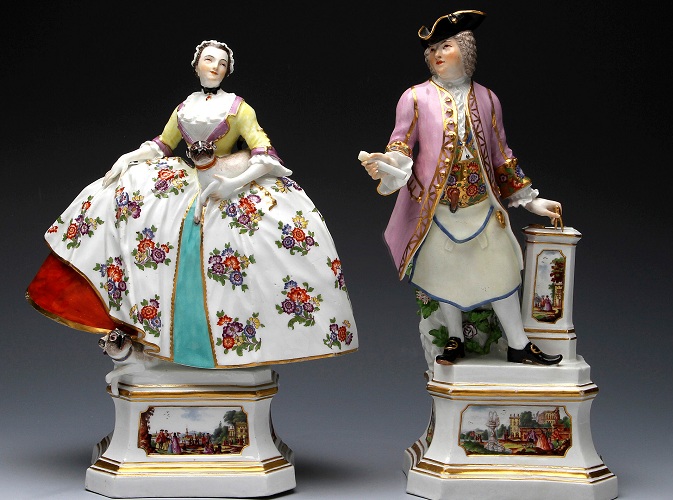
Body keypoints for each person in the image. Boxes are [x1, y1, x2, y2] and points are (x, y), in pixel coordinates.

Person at [27, 40, 357, 369]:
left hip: (224, 177)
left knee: (265, 236)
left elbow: (264, 153)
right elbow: (163, 144)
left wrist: (232, 184)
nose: (215, 67)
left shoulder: (239, 108)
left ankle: (226, 343)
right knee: (119, 195)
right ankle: (145, 326)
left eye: (222, 63)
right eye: (209, 60)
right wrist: (129, 157)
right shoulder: (184, 107)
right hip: (187, 179)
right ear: (197, 64)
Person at [360, 11, 561, 366]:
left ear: (465, 50)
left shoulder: (488, 98)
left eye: (446, 46)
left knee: (501, 270)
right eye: (431, 50)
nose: (436, 54)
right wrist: (388, 164)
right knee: (443, 274)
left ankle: (518, 344)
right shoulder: (415, 98)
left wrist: (531, 200)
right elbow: (401, 144)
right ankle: (455, 339)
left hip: (482, 204)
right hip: (436, 207)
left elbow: (501, 156)